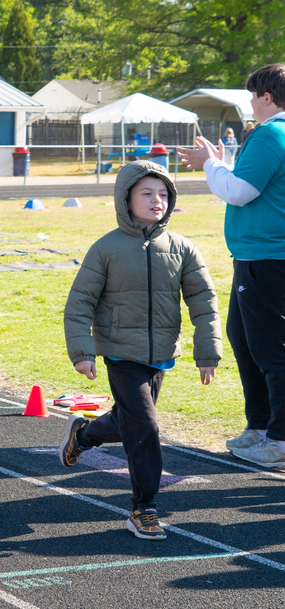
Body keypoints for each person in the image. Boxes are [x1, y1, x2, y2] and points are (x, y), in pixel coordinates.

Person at [61, 160, 221, 541]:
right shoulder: (106, 248)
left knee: (128, 421)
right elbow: (80, 302)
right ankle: (144, 508)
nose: (156, 201)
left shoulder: (182, 248)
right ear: (125, 198)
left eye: (163, 194)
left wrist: (207, 353)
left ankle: (82, 435)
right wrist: (83, 351)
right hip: (119, 352)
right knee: (145, 426)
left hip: (161, 353)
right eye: (147, 193)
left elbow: (204, 302)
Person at [178, 63, 285, 467]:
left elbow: (238, 192)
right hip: (261, 258)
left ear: (267, 97)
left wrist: (210, 163)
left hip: (267, 259)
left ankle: (278, 438)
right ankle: (261, 427)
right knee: (244, 341)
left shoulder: (271, 133)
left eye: (252, 96)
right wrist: (221, 164)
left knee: (270, 350)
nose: (250, 104)